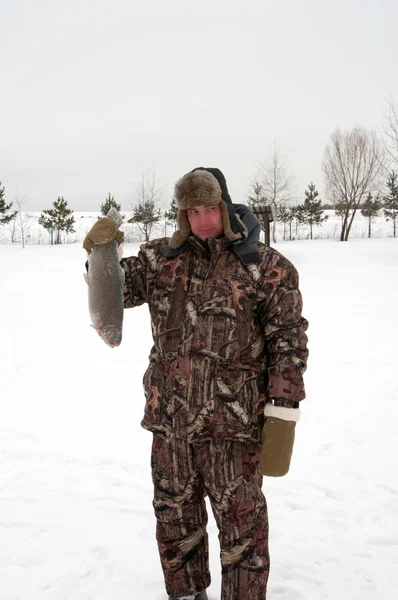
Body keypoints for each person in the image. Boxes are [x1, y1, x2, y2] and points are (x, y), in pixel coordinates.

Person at [83, 167, 309, 600]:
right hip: (170, 424)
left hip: (235, 428)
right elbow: (112, 293)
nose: (203, 220)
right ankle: (186, 595)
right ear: (183, 214)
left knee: (242, 530)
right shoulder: (159, 260)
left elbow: (289, 340)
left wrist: (283, 412)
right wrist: (101, 251)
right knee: (174, 522)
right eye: (193, 211)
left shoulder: (266, 266)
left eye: (210, 209)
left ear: (224, 207)